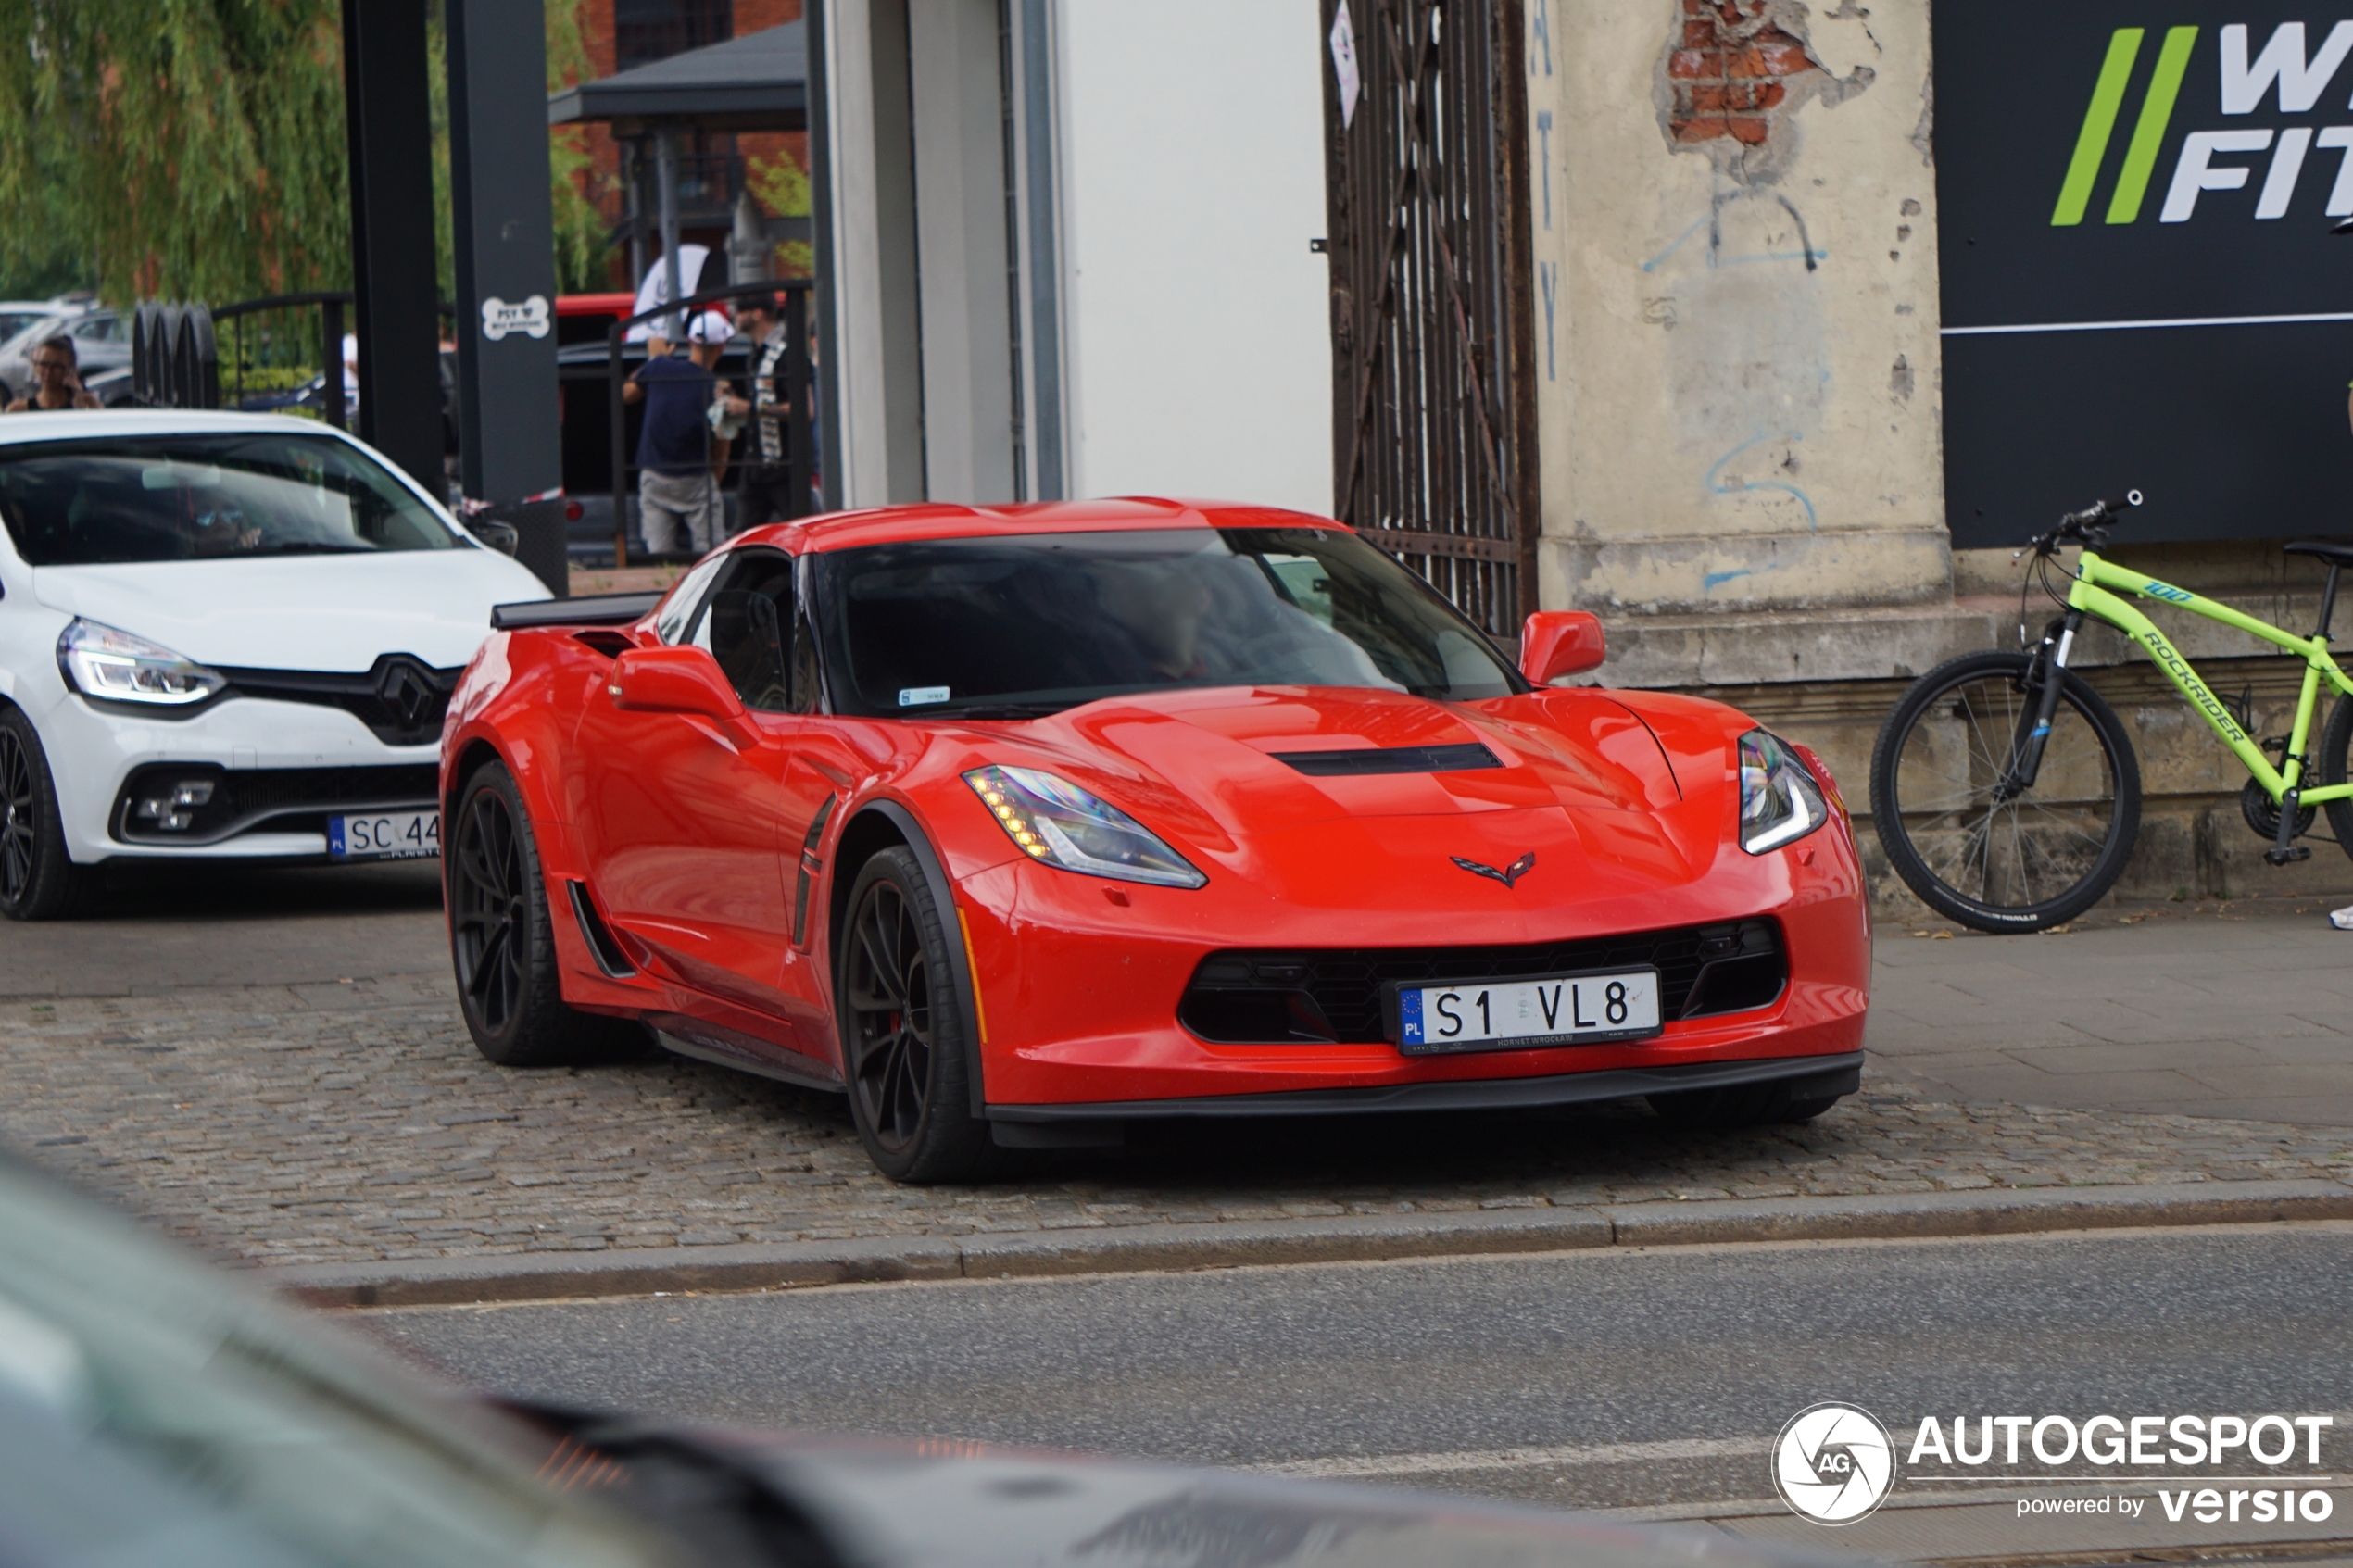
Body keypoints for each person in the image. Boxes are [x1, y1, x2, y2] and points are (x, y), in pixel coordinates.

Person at [623, 309, 730, 558]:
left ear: (690, 340)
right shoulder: (715, 387)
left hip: (655, 475)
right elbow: (722, 446)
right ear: (721, 346)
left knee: (659, 558)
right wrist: (712, 478)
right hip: (695, 478)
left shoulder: (660, 367)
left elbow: (626, 394)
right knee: (712, 557)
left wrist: (653, 361)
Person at [720, 294, 804, 531]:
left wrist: (752, 409)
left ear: (757, 313)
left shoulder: (787, 354)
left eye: (739, 311)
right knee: (742, 537)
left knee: (799, 531)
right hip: (756, 465)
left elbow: (803, 409)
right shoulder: (755, 354)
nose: (735, 317)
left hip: (783, 467)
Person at [7, 335, 102, 411]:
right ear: (35, 366)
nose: (48, 372)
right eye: (43, 364)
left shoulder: (87, 404)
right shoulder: (19, 409)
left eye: (57, 366)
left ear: (70, 368)